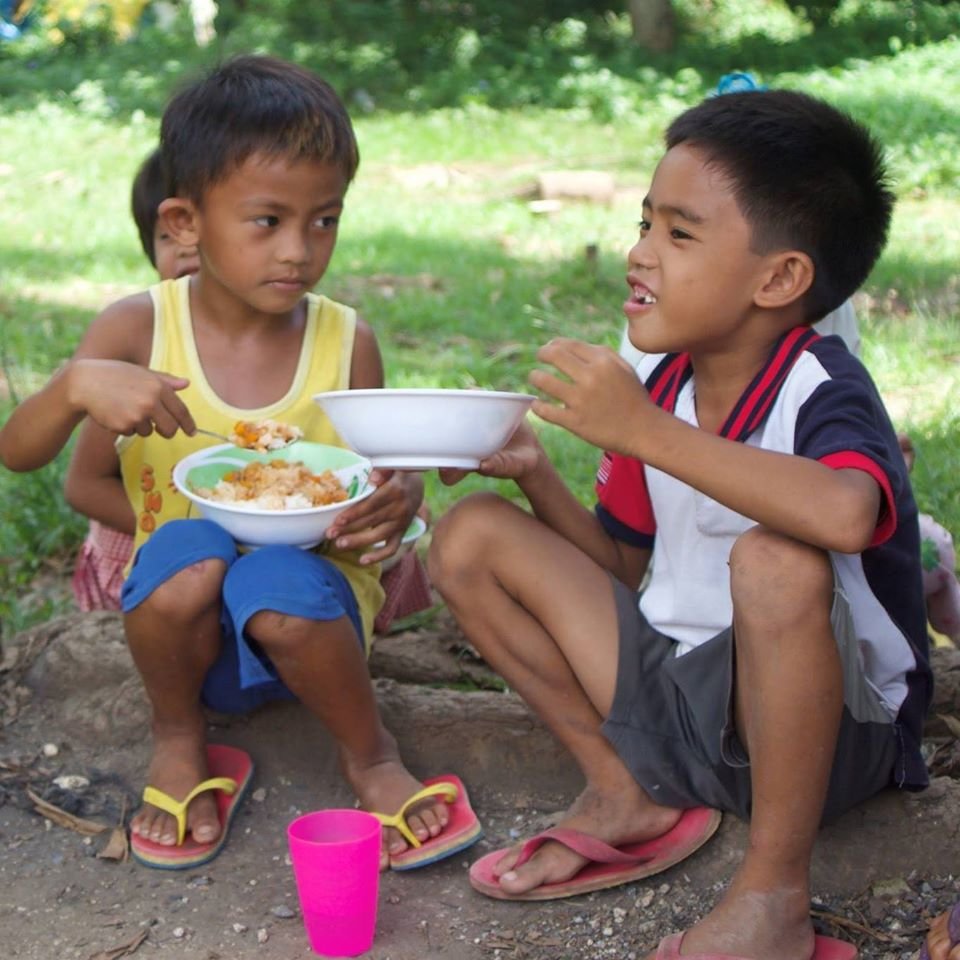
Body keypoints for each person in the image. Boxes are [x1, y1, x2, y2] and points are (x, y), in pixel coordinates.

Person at [428, 89, 930, 960]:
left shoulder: (820, 384)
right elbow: (621, 566)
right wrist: (539, 475)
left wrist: (643, 432)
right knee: (471, 531)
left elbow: (847, 513)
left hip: (833, 737)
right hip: (682, 703)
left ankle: (773, 894)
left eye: (679, 233)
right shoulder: (663, 388)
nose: (639, 253)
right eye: (644, 223)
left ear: (779, 280)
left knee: (777, 561)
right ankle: (623, 789)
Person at [0, 55, 480, 873]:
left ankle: (371, 755)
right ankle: (178, 737)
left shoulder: (345, 340)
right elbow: (19, 454)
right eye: (267, 221)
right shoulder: (135, 329)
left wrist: (400, 495)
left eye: (324, 220)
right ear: (184, 222)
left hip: (315, 625)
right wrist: (75, 384)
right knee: (190, 555)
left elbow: (383, 476)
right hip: (178, 632)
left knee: (276, 580)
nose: (299, 251)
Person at [67, 147, 200, 613]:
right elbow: (84, 485)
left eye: (202, 229)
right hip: (150, 550)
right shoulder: (142, 340)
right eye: (168, 234)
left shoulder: (318, 341)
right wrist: (190, 538)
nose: (186, 247)